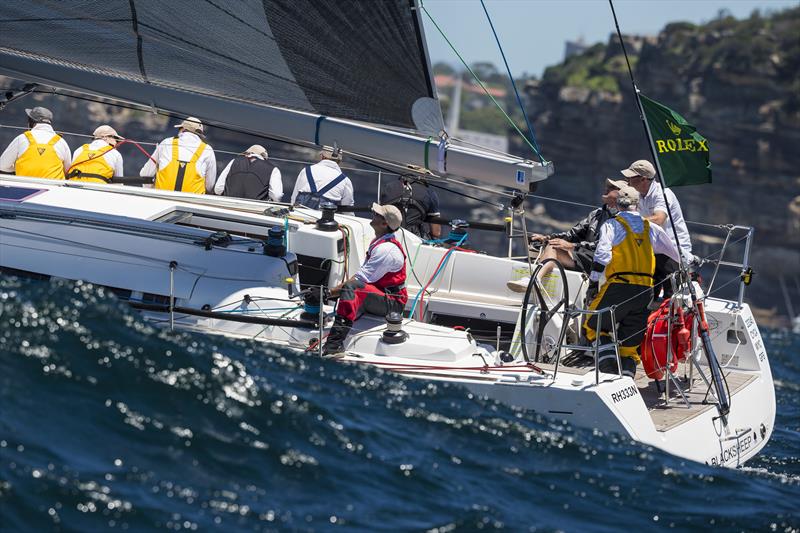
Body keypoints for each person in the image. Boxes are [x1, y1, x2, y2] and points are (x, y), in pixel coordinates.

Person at [583, 185, 680, 378]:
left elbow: (602, 255)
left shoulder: (612, 225)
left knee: (593, 324)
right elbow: (675, 254)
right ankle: (626, 379)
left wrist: (593, 283)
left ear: (618, 204)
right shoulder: (651, 227)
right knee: (630, 343)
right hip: (645, 290)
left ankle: (608, 371)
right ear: (637, 204)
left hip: (619, 286)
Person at [507, 178, 623, 296]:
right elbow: (572, 234)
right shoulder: (596, 214)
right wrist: (547, 238)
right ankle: (536, 280)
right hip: (584, 257)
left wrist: (572, 246)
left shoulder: (621, 219)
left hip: (600, 264)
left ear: (621, 194)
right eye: (607, 186)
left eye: (612, 188)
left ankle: (534, 280)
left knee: (554, 249)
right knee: (552, 245)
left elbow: (603, 247)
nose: (606, 189)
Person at [323, 203, 407, 356]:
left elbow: (359, 280)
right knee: (351, 289)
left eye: (377, 214)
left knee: (352, 288)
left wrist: (327, 293)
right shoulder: (380, 241)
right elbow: (363, 278)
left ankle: (334, 345)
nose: (373, 213)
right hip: (381, 295)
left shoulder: (386, 249)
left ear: (384, 223)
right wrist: (330, 293)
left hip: (392, 303)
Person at [622, 159, 694, 298]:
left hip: (673, 252)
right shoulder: (639, 196)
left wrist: (627, 223)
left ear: (643, 179)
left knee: (671, 299)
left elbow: (659, 219)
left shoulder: (662, 193)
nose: (627, 182)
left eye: (630, 178)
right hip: (654, 251)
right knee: (644, 296)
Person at [140, 117, 216, 194]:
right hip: (192, 203)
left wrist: (151, 192)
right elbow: (210, 186)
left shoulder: (167, 143)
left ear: (182, 129)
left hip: (162, 200)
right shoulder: (207, 150)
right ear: (200, 135)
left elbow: (146, 174)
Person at [0, 106, 71, 179]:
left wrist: (19, 167)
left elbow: (2, 165)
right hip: (54, 188)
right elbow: (68, 171)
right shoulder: (61, 142)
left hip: (25, 187)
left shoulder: (21, 138)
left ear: (31, 122)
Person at [380, 175, 441, 240]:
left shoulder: (388, 187)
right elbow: (436, 233)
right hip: (413, 240)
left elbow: (378, 217)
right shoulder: (429, 193)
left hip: (387, 237)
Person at [214, 144, 283, 201]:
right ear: (264, 158)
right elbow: (277, 196)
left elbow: (218, 189)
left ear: (247, 153)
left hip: (228, 208)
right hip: (254, 212)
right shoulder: (273, 169)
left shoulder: (233, 162)